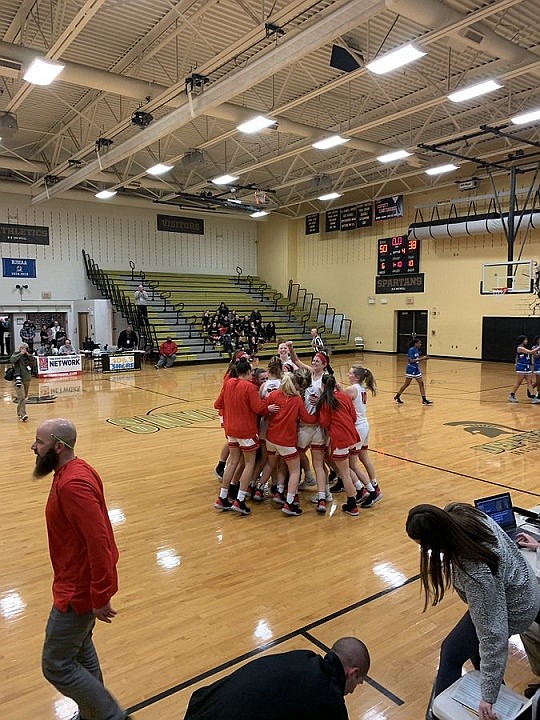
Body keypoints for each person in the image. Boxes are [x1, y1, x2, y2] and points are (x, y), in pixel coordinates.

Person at [31, 418, 130, 720]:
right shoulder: (76, 469)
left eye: (40, 442)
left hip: (77, 591)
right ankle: (93, 714)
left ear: (58, 447)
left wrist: (99, 595)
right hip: (75, 583)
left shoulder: (73, 484)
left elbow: (99, 542)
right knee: (80, 645)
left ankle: (111, 717)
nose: (33, 447)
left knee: (56, 664)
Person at [406, 503, 540, 720]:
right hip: (524, 587)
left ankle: (435, 718)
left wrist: (488, 697)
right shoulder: (462, 512)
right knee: (473, 646)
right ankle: (498, 690)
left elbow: (493, 634)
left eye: (426, 547)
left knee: (451, 653)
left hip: (517, 607)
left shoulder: (474, 572)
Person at [183, 636, 370, 720]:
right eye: (358, 682)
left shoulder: (304, 657)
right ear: (352, 673)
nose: (353, 691)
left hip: (200, 707)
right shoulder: (330, 701)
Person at [345, 365, 382, 508]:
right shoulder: (361, 389)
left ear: (357, 377)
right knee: (364, 457)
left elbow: (338, 400)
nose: (348, 375)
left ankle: (370, 492)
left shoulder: (351, 389)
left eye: (350, 373)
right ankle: (374, 484)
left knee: (351, 464)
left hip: (357, 428)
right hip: (365, 425)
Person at [394, 338, 433, 405]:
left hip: (416, 369)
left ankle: (424, 399)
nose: (420, 344)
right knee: (406, 384)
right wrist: (422, 358)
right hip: (411, 369)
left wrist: (423, 358)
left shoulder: (417, 350)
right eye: (419, 343)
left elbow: (416, 359)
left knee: (421, 383)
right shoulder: (411, 350)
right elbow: (411, 361)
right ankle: (397, 396)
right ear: (415, 344)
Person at [10, 342, 37, 422]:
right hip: (18, 378)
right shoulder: (16, 354)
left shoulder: (28, 356)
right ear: (20, 348)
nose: (24, 350)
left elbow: (34, 363)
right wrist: (20, 354)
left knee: (24, 397)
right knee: (21, 396)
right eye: (22, 348)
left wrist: (29, 356)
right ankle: (23, 414)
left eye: (25, 348)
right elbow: (12, 360)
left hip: (26, 379)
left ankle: (19, 410)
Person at [509, 334, 539, 403]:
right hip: (521, 367)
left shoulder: (525, 348)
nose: (527, 341)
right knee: (518, 382)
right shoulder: (519, 348)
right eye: (526, 340)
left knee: (529, 382)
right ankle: (511, 395)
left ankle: (533, 397)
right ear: (522, 340)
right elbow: (530, 352)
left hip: (527, 367)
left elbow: (531, 354)